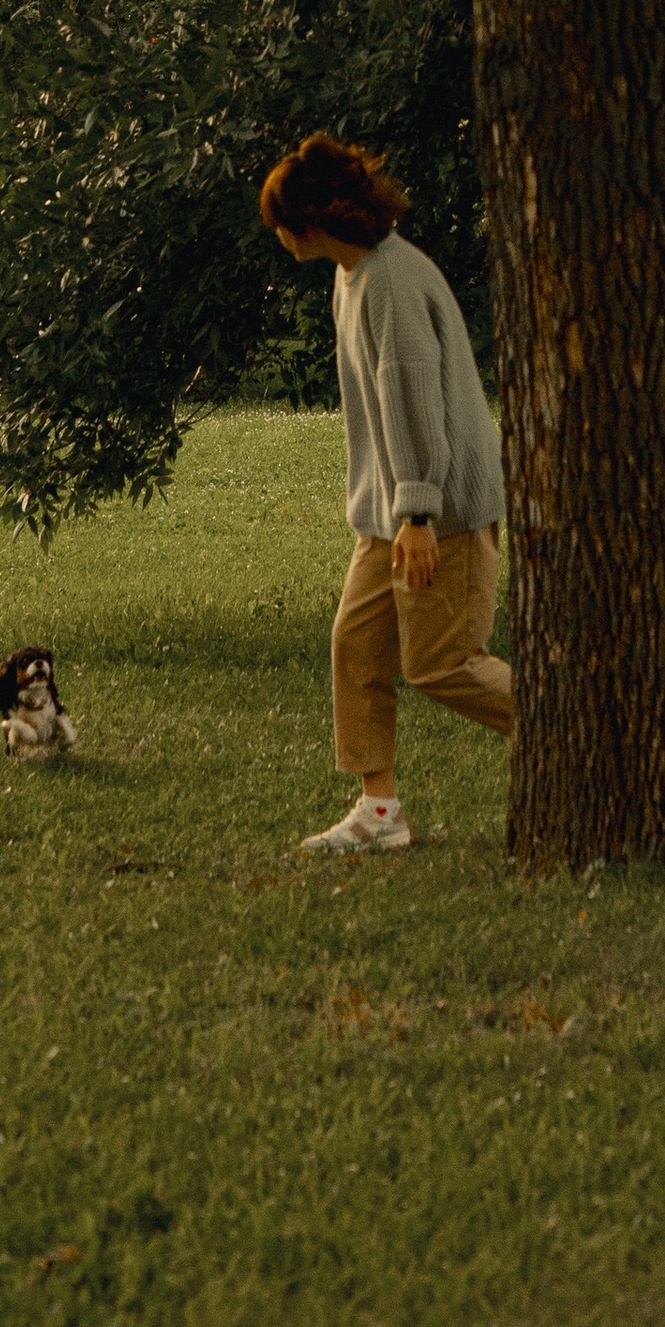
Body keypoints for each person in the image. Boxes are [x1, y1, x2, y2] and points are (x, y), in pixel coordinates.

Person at [260, 131, 511, 855]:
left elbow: (414, 401)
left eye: (281, 222)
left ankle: (584, 735)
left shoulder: (392, 281)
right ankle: (380, 813)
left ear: (310, 222)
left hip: (438, 511)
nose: (279, 236)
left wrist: (419, 512)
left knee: (443, 662)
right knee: (357, 649)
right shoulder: (354, 274)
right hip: (391, 514)